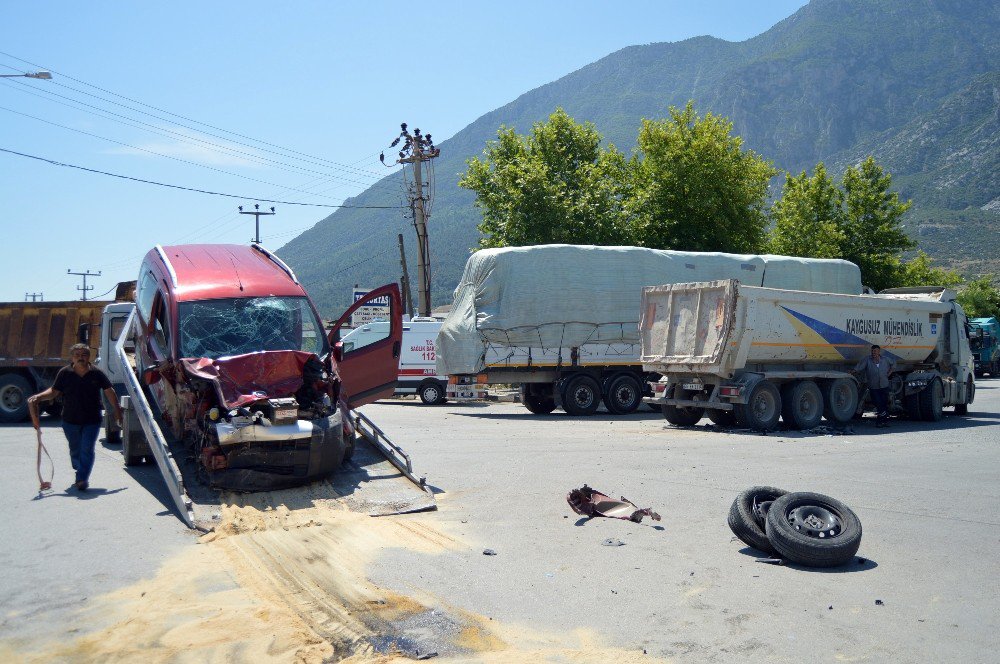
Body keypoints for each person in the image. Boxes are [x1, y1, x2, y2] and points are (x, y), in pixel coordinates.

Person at [27, 343, 122, 491]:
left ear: (89, 357)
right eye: (77, 355)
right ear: (72, 358)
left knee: (87, 448)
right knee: (75, 449)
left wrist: (117, 411)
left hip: (92, 420)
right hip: (70, 420)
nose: (80, 358)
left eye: (84, 355)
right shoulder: (65, 373)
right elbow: (54, 391)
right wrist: (39, 397)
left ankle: (82, 478)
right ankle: (79, 467)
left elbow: (109, 391)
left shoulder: (97, 373)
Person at [854, 344, 896, 428]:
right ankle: (884, 417)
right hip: (873, 386)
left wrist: (890, 372)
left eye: (875, 351)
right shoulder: (867, 360)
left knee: (884, 403)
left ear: (879, 352)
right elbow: (859, 367)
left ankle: (881, 422)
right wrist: (853, 371)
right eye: (872, 351)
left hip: (884, 385)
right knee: (877, 402)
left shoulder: (885, 359)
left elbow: (894, 363)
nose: (873, 353)